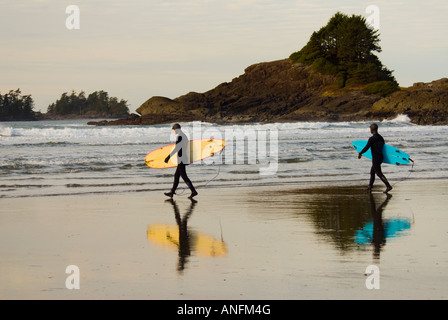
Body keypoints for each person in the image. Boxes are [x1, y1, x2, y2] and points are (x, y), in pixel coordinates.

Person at [164, 123, 198, 199]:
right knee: (176, 176)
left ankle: (193, 191)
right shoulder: (184, 136)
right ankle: (172, 192)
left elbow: (177, 148)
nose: (173, 131)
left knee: (184, 176)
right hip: (183, 158)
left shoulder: (180, 137)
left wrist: (168, 157)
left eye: (173, 130)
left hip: (182, 159)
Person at [358, 123, 393, 193]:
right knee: (372, 172)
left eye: (370, 129)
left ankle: (388, 186)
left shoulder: (372, 139)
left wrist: (360, 153)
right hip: (381, 157)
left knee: (379, 173)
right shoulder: (381, 138)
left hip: (376, 158)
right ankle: (370, 187)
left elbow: (366, 147)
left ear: (371, 130)